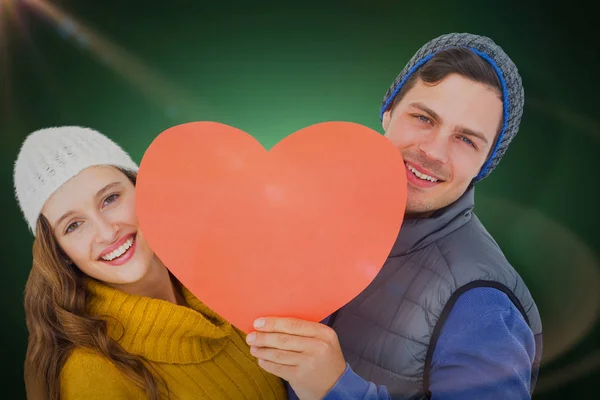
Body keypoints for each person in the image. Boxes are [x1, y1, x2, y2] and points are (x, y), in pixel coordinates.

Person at [245, 33, 543, 399]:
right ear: (388, 112)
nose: (433, 150)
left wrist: (336, 388)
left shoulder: (482, 305)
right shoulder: (310, 213)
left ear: (485, 164)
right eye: (423, 118)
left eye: (466, 140)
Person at [13, 126, 288, 400]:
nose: (107, 232)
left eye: (110, 199)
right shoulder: (91, 374)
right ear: (60, 252)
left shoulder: (234, 286)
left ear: (141, 188)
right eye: (74, 226)